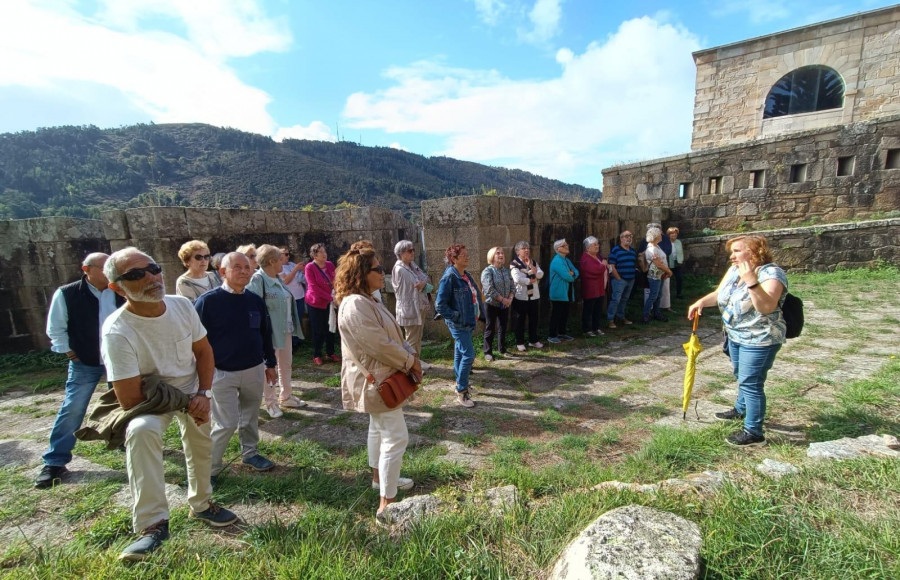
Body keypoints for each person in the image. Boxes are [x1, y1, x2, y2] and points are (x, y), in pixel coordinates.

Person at [101, 247, 238, 561]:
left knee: (201, 444)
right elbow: (129, 397)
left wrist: (203, 394)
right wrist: (188, 401)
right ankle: (152, 525)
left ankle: (202, 505)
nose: (150, 277)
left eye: (152, 268)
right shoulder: (117, 330)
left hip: (193, 391)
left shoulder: (180, 306)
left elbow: (203, 352)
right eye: (136, 274)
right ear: (117, 287)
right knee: (141, 431)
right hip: (150, 402)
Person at [335, 246, 422, 524]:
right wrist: (409, 361)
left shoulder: (366, 300)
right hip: (377, 378)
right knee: (396, 437)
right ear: (362, 273)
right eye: (377, 269)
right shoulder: (356, 304)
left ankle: (378, 479)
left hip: (379, 374)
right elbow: (378, 345)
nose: (382, 273)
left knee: (378, 430)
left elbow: (392, 334)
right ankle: (387, 503)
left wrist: (409, 353)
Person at [688, 234, 788, 447]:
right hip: (735, 335)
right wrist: (701, 302)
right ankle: (741, 409)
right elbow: (719, 294)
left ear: (754, 252)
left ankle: (754, 432)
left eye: (737, 251)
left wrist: (751, 280)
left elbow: (766, 307)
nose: (731, 257)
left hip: (761, 339)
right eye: (731, 252)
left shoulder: (772, 273)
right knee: (740, 375)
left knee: (751, 383)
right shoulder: (734, 271)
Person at [36, 252, 123, 489]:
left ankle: (122, 440)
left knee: (123, 403)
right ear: (87, 269)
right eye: (104, 267)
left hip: (118, 357)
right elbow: (56, 327)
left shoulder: (119, 290)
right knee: (74, 407)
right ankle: (55, 461)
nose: (109, 271)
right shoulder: (67, 293)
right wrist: (67, 350)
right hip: (85, 359)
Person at [195, 252, 278, 482]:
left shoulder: (254, 300)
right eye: (237, 267)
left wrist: (270, 363)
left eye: (247, 267)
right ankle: (209, 469)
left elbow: (264, 333)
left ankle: (250, 453)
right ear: (223, 272)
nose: (244, 271)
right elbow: (194, 339)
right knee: (226, 422)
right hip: (222, 372)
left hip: (253, 368)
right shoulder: (208, 302)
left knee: (250, 415)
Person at [248, 245, 305, 418]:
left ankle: (286, 395)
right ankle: (270, 402)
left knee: (285, 363)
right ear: (272, 261)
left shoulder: (278, 278)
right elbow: (253, 308)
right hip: (269, 333)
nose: (284, 262)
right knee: (269, 366)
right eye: (281, 258)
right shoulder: (258, 280)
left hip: (284, 329)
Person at [435, 244, 484, 408]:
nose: (467, 256)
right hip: (459, 323)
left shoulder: (465, 274)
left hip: (468, 321)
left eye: (466, 253)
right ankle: (462, 391)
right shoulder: (449, 277)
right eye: (463, 255)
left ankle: (460, 383)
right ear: (453, 259)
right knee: (469, 355)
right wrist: (456, 316)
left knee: (459, 353)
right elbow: (440, 305)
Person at [391, 240, 431, 359]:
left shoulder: (412, 265)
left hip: (419, 306)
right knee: (411, 339)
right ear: (401, 253)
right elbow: (416, 285)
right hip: (410, 308)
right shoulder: (400, 269)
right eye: (409, 251)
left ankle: (416, 362)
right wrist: (423, 283)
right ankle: (411, 365)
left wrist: (423, 283)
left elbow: (426, 279)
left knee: (417, 337)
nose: (413, 253)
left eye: (413, 250)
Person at [305, 243, 338, 365]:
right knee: (318, 329)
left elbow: (336, 280)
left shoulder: (329, 265)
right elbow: (313, 287)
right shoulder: (310, 267)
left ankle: (330, 352)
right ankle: (317, 354)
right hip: (316, 303)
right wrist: (329, 298)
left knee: (331, 327)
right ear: (314, 255)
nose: (324, 254)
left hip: (330, 302)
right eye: (321, 252)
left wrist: (337, 294)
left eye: (325, 251)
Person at [480, 246, 514, 361]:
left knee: (503, 327)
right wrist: (502, 299)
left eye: (502, 253)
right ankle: (487, 352)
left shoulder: (506, 271)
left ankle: (502, 349)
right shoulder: (487, 271)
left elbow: (512, 286)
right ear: (492, 256)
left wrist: (510, 298)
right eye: (497, 253)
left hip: (505, 304)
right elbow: (489, 289)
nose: (501, 255)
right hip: (492, 304)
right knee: (490, 327)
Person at [509, 241, 544, 352]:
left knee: (534, 318)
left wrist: (530, 266)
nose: (526, 250)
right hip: (521, 296)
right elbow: (517, 279)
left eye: (527, 248)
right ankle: (520, 342)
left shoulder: (532, 262)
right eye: (523, 248)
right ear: (518, 251)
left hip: (533, 295)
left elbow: (540, 274)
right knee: (520, 319)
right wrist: (530, 280)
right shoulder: (514, 264)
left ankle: (533, 340)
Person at [548, 239, 579, 343]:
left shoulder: (566, 260)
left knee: (564, 314)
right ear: (558, 249)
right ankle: (552, 335)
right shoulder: (557, 260)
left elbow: (576, 271)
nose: (567, 246)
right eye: (564, 245)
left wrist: (572, 274)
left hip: (567, 292)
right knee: (556, 314)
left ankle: (562, 333)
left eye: (566, 244)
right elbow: (567, 276)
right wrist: (571, 275)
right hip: (558, 292)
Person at [607, 230, 638, 329]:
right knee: (616, 299)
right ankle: (610, 319)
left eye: (630, 236)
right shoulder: (615, 250)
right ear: (621, 238)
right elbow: (612, 265)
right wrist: (618, 278)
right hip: (619, 280)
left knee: (624, 299)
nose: (629, 238)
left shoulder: (632, 251)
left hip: (630, 279)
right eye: (626, 236)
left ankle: (621, 316)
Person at [642, 227, 673, 323]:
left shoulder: (657, 246)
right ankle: (645, 315)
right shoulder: (652, 249)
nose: (661, 235)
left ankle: (656, 312)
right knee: (653, 295)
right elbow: (658, 264)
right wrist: (669, 271)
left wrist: (666, 272)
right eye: (659, 234)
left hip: (660, 275)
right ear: (655, 236)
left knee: (658, 295)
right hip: (654, 275)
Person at [278, 246, 307, 349]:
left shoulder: (291, 264)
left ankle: (297, 340)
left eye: (288, 254)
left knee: (298, 319)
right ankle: (292, 343)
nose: (288, 256)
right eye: (285, 254)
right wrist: (295, 270)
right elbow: (285, 281)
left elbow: (302, 276)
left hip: (299, 296)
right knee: (290, 320)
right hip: (289, 298)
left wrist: (303, 270)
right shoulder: (279, 267)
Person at [579, 236, 608, 337]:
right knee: (588, 309)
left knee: (598, 309)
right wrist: (603, 265)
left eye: (597, 244)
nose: (597, 246)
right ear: (587, 248)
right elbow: (595, 270)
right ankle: (587, 329)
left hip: (599, 288)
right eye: (594, 245)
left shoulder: (598, 256)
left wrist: (603, 265)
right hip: (590, 288)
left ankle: (596, 327)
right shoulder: (585, 258)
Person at [667, 227, 685, 299]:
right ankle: (667, 296)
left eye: (675, 233)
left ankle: (679, 294)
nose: (674, 235)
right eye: (672, 233)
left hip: (677, 263)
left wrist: (681, 260)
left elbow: (681, 252)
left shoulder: (678, 242)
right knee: (668, 279)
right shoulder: (666, 242)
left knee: (679, 278)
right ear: (668, 234)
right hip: (668, 263)